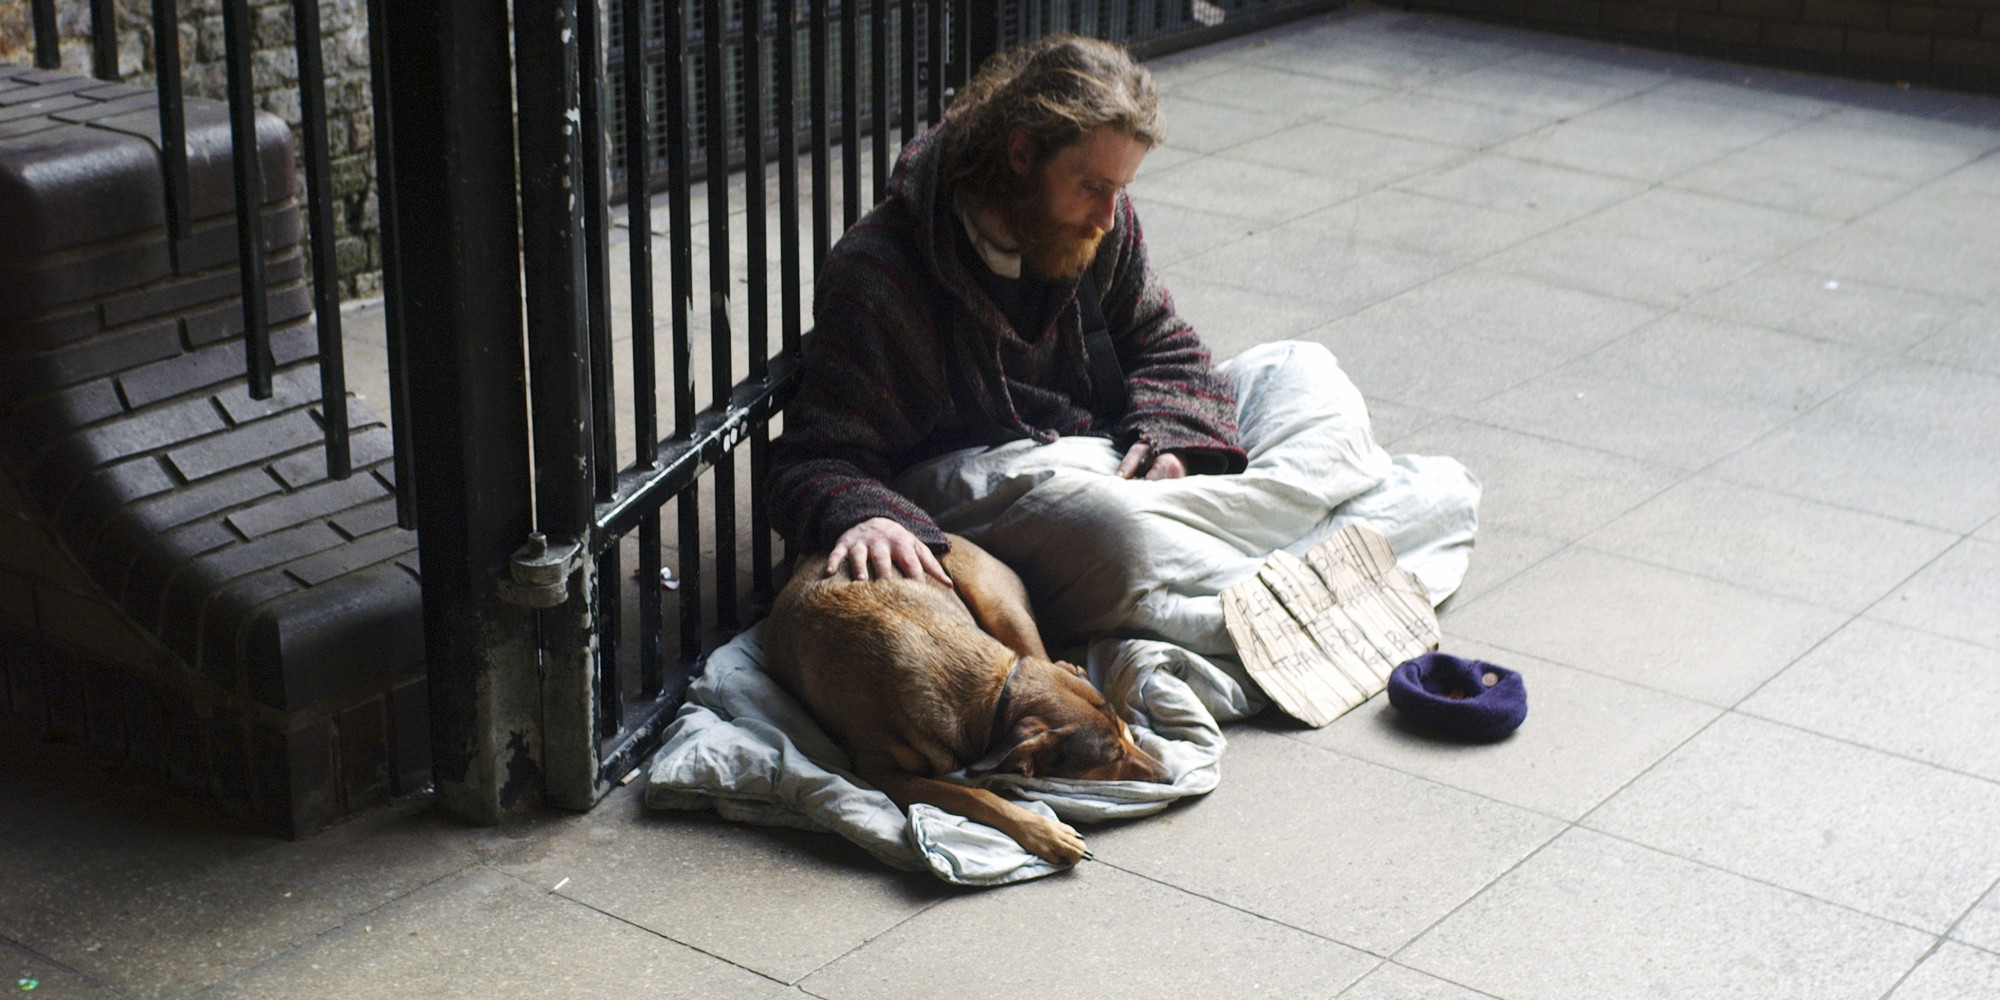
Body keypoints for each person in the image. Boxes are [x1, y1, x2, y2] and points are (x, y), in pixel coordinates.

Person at [770, 34, 1245, 585]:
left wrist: (1173, 442)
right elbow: (812, 458)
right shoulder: (881, 273)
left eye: (1119, 188)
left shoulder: (1100, 230)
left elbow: (1163, 340)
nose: (1108, 217)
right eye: (1092, 186)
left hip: (1100, 451)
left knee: (1299, 372)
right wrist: (866, 515)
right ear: (1020, 154)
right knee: (1119, 529)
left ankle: (1201, 542)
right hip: (979, 486)